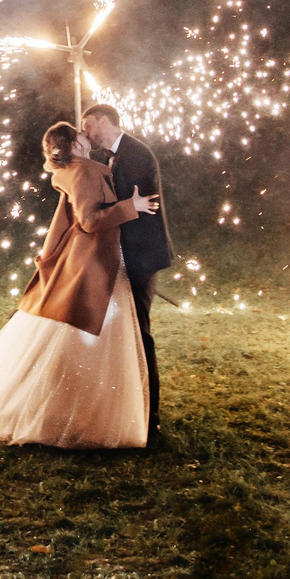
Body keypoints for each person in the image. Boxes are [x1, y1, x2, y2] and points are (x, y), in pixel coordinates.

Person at [0, 121, 152, 448]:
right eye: (78, 131)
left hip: (99, 262)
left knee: (90, 340)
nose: (84, 133)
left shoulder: (85, 169)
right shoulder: (83, 173)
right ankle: (79, 416)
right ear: (73, 145)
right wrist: (132, 207)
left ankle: (82, 412)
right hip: (92, 265)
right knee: (88, 337)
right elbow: (89, 220)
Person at [79, 102, 168, 437]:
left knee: (140, 332)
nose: (86, 131)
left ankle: (150, 415)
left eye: (88, 125)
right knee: (126, 331)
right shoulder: (112, 157)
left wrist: (113, 207)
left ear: (104, 121)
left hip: (141, 255)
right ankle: (129, 405)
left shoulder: (136, 154)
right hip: (125, 255)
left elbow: (140, 204)